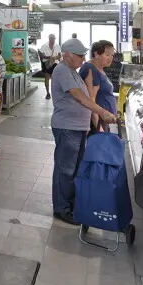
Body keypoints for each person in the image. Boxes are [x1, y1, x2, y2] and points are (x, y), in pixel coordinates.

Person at [50, 38, 116, 223]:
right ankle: (62, 209)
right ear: (67, 55)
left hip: (78, 127)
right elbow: (79, 97)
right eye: (79, 55)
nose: (83, 58)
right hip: (67, 127)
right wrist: (101, 112)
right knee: (65, 170)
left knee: (74, 169)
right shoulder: (62, 70)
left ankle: (70, 204)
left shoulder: (73, 71)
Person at [78, 40, 117, 133]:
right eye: (107, 55)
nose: (110, 58)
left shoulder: (99, 68)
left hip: (103, 120)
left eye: (112, 55)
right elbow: (91, 99)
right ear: (96, 54)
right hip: (96, 122)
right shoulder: (90, 69)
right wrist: (97, 127)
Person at [38, 33, 58, 99]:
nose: (53, 40)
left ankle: (54, 93)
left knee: (54, 79)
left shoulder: (57, 46)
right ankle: (47, 93)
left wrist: (54, 57)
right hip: (46, 64)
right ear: (49, 39)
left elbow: (60, 55)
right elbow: (40, 54)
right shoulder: (44, 46)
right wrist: (47, 57)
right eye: (52, 39)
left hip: (55, 64)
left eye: (54, 39)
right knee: (47, 77)